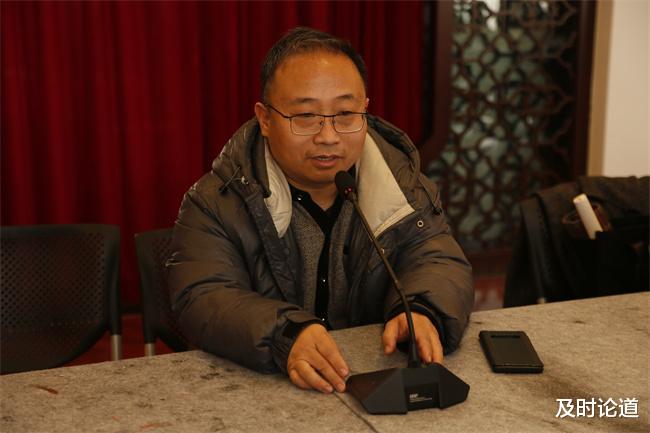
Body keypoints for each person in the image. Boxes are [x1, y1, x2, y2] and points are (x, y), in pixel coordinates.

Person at [168, 27, 473, 394]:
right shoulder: (216, 200)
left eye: (345, 113)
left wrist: (423, 309)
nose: (328, 136)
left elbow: (437, 259)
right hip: (262, 390)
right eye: (305, 116)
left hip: (377, 381)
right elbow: (203, 295)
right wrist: (286, 334)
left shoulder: (404, 188)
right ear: (265, 119)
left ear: (365, 110)